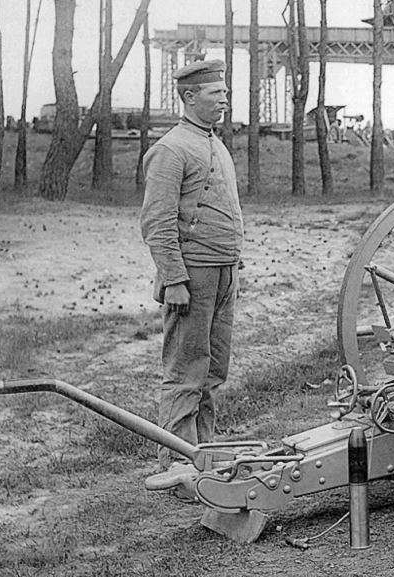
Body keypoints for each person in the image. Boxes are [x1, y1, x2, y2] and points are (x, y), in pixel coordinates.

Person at [139, 59, 242, 484]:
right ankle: (177, 464)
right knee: (186, 370)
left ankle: (204, 456)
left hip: (224, 272)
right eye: (216, 93)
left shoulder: (215, 144)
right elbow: (157, 222)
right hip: (192, 277)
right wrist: (175, 280)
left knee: (213, 370)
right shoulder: (171, 149)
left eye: (224, 92)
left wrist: (233, 263)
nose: (224, 100)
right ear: (189, 97)